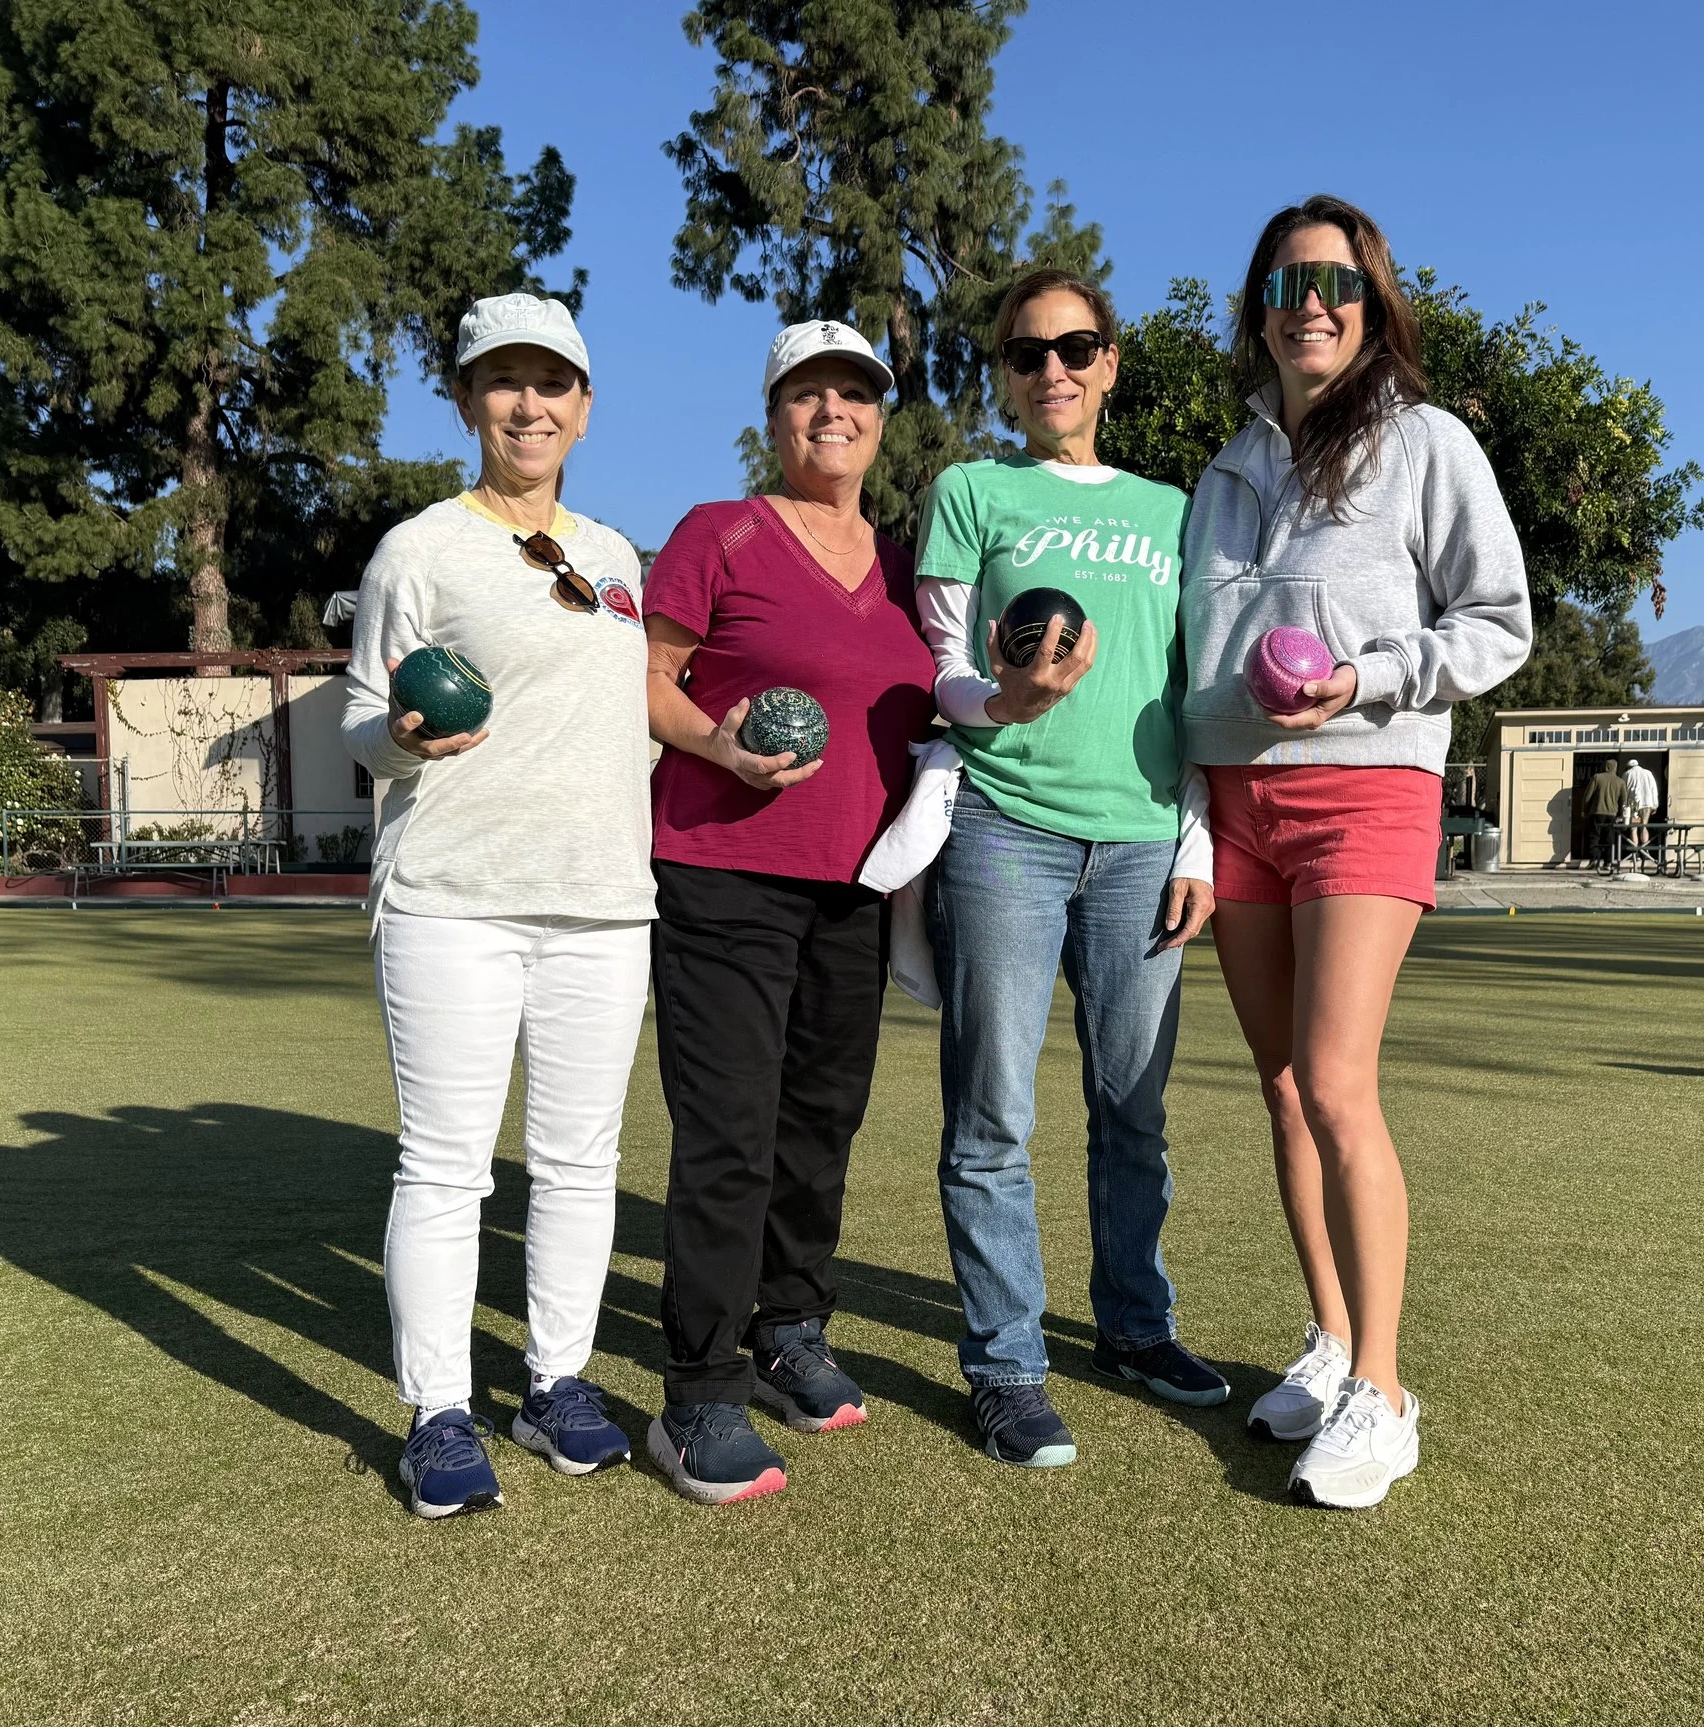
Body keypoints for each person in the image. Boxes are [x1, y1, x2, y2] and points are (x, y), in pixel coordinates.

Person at [1180, 196, 1531, 1510]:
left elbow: (1498, 621)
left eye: (1334, 280)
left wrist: (1374, 674)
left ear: (1372, 303)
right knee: (1279, 1085)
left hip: (1367, 787)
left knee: (1336, 1081)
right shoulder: (1226, 472)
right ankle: (1332, 1343)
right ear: (1260, 306)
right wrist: (1196, 812)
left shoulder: (1426, 444)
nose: (1307, 300)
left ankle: (1385, 1392)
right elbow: (1194, 667)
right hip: (1239, 799)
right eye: (1284, 279)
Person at [342, 293, 654, 1519]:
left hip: (601, 901)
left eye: (552, 383)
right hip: (453, 900)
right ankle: (441, 1412)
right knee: (446, 1167)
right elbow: (363, 727)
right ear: (469, 402)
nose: (530, 404)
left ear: (584, 405)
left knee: (582, 1167)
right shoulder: (418, 549)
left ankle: (558, 1385)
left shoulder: (617, 556)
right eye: (503, 382)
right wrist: (405, 737)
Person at [916, 268, 1222, 1470]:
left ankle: (1135, 1330)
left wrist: (1195, 837)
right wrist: (1005, 697)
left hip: (1143, 838)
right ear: (1002, 373)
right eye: (1027, 354)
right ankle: (1005, 1365)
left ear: (1110, 364)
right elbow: (939, 657)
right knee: (992, 1112)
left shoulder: (1172, 508)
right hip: (1005, 829)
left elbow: (1191, 688)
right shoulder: (971, 490)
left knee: (1131, 1113)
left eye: (1076, 348)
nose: (1053, 371)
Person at [638, 321, 935, 1505]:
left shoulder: (911, 564)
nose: (832, 414)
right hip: (721, 869)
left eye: (854, 395)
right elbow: (647, 680)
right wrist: (717, 741)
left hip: (855, 886)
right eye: (807, 395)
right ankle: (698, 1394)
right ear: (773, 418)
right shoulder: (719, 534)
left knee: (821, 1123)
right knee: (728, 1134)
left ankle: (789, 1329)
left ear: (878, 417)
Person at [1586, 758, 1629, 870]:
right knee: (1609, 839)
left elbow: (1588, 796)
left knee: (1594, 837)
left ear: (1605, 767)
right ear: (1615, 768)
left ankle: (1594, 860)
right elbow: (1624, 801)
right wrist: (1621, 815)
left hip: (1597, 812)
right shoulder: (1620, 782)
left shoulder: (1597, 777)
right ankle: (1608, 862)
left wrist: (1584, 810)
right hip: (1612, 814)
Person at [1624, 757, 1660, 865]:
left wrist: (1624, 808)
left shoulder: (1627, 774)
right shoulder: (1648, 773)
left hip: (1633, 805)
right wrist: (1655, 805)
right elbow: (1654, 789)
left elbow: (1624, 791)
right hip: (1647, 804)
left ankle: (1635, 854)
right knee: (1644, 827)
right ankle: (1645, 851)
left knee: (1633, 829)